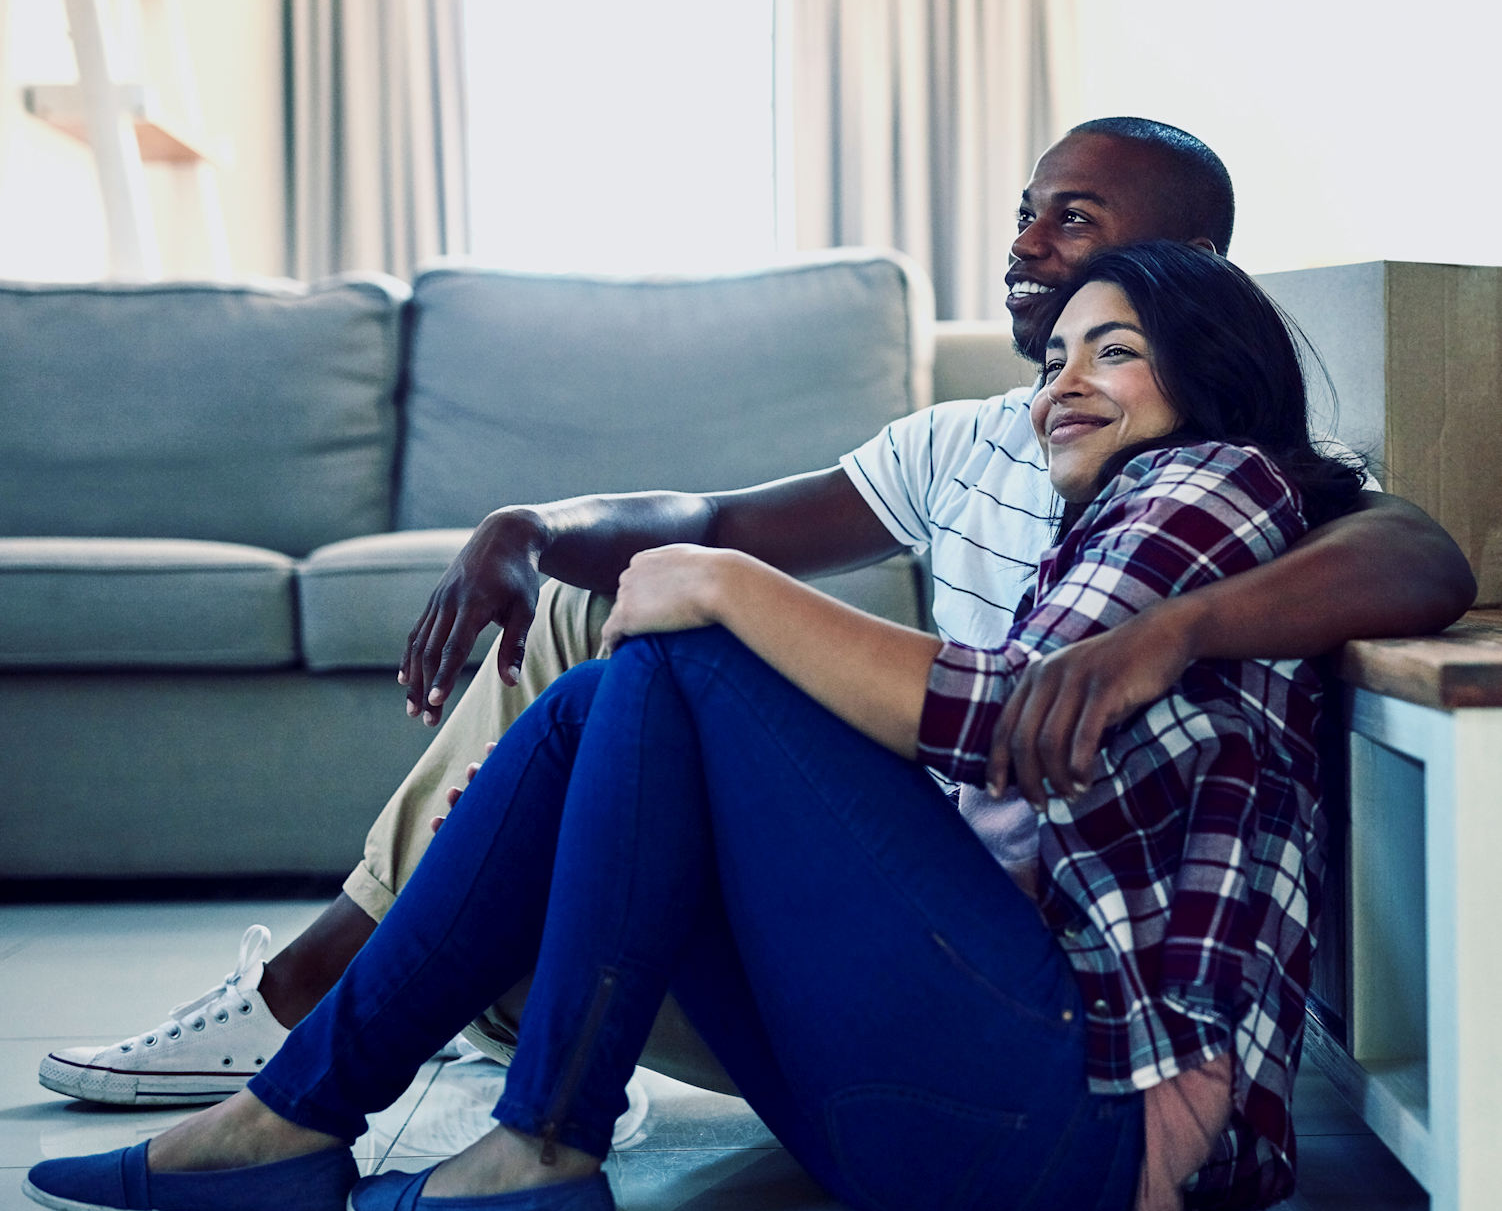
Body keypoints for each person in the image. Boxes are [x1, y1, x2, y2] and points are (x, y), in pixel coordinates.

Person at [38, 117, 1475, 1107]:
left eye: (1073, 219)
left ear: (1186, 269)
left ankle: (338, 1001)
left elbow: (1418, 555)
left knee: (636, 688)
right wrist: (531, 526)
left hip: (967, 950)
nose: (1027, 239)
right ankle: (360, 995)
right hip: (867, 875)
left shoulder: (1215, 474)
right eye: (1027, 211)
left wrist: (1168, 630)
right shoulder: (969, 439)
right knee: (577, 622)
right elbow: (714, 524)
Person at [26, 242, 1371, 1211]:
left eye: (1113, 351)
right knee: (635, 688)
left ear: (1204, 367)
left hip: (1077, 1129)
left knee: (682, 658)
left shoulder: (1215, 483)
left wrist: (726, 589)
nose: (1060, 386)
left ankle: (427, 1129)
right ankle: (378, 1126)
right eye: (1052, 360)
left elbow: (1006, 725)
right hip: (977, 1124)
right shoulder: (1115, 514)